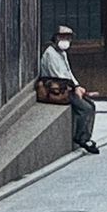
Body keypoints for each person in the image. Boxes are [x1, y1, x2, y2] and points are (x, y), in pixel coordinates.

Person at [39, 25, 100, 154]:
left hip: (67, 87)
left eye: (68, 37)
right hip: (57, 89)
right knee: (85, 108)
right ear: (56, 38)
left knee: (91, 105)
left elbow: (69, 72)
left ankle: (86, 136)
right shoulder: (50, 54)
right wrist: (75, 88)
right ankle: (81, 137)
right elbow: (59, 76)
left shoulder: (62, 53)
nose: (66, 40)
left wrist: (78, 86)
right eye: (63, 37)